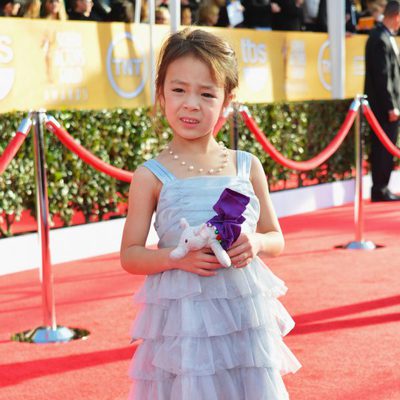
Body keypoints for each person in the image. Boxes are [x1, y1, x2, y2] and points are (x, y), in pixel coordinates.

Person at [120, 28, 301, 399]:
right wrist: (176, 260)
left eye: (207, 94)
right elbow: (130, 255)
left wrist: (257, 243)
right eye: (179, 90)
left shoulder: (246, 166)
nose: (191, 104)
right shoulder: (150, 175)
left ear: (227, 101)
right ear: (161, 93)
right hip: (183, 328)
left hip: (244, 322)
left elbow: (276, 238)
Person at [364, 0, 400, 201]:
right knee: (382, 148)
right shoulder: (379, 38)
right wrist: (391, 106)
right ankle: (380, 188)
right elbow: (382, 76)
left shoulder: (384, 37)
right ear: (396, 16)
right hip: (383, 108)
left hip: (386, 107)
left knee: (387, 147)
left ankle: (383, 187)